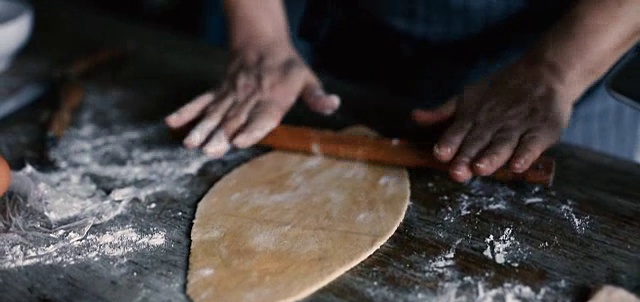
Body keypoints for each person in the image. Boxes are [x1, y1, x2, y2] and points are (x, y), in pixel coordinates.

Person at [165, 0, 640, 183]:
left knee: (562, 199)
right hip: (357, 19)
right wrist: (259, 35)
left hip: (569, 34)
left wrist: (554, 73)